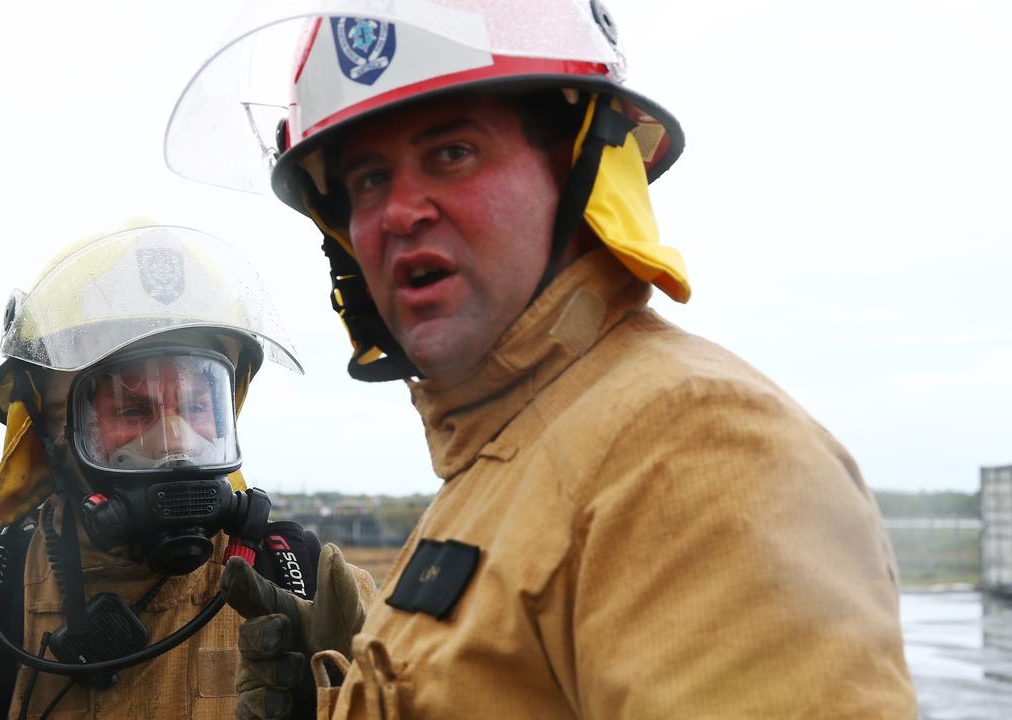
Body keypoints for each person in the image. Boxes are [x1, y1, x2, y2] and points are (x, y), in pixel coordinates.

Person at [165, 2, 918, 718]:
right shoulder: (504, 457)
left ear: (576, 170)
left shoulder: (696, 451)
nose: (399, 211)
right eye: (369, 180)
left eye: (452, 153)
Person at [0, 223, 375, 719]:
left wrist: (348, 698)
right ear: (51, 428)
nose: (176, 444)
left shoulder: (318, 595)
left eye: (196, 407)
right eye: (132, 409)